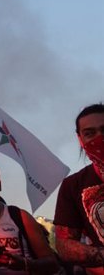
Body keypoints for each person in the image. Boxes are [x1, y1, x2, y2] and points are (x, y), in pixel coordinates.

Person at [54, 103, 104, 273]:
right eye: (90, 133)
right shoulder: (73, 185)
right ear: (80, 139)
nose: (99, 137)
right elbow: (64, 244)